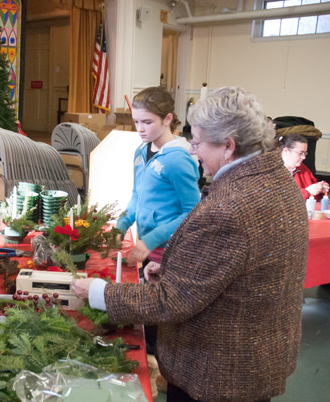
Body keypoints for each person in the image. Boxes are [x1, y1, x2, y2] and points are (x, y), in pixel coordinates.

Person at [72, 87, 309, 402]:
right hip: (255, 358)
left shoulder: (230, 206)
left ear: (228, 146)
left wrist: (97, 292)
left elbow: (172, 301)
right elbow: (235, 272)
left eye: (197, 143)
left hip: (217, 372)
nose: (194, 152)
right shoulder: (278, 181)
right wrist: (174, 270)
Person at [116, 86, 200, 270]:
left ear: (167, 119)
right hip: (146, 247)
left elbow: (192, 212)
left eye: (147, 122)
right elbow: (136, 195)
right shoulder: (140, 151)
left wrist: (151, 240)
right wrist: (121, 225)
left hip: (169, 251)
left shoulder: (178, 158)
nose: (140, 129)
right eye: (136, 122)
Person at [279, 134, 328, 200]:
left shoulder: (303, 168)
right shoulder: (273, 171)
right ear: (286, 151)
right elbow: (280, 200)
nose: (304, 157)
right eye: (301, 153)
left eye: (305, 153)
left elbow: (314, 197)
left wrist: (320, 189)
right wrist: (307, 192)